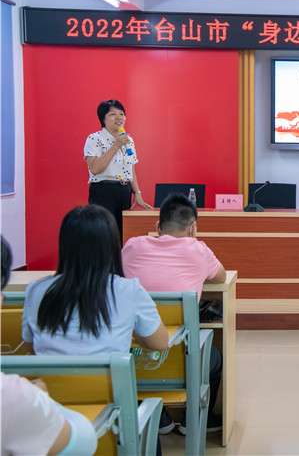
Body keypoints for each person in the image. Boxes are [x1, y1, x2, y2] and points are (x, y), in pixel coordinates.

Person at [121, 193, 225, 435]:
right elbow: (220, 277)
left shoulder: (132, 247)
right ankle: (193, 420)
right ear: (193, 228)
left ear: (158, 226)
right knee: (215, 359)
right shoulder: (199, 250)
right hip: (184, 360)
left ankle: (158, 419)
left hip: (136, 356)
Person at [21, 205, 168, 356]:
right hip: (112, 372)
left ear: (64, 245)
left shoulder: (36, 291)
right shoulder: (128, 290)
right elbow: (160, 343)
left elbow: (32, 346)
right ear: (112, 245)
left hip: (50, 373)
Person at [1, 235, 97, 456]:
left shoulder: (36, 290)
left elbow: (31, 345)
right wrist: (37, 400)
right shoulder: (13, 397)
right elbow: (85, 442)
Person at [84, 98, 152, 240]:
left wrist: (137, 192)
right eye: (113, 114)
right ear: (103, 119)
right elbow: (95, 168)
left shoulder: (128, 140)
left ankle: (119, 256)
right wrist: (116, 145)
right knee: (103, 234)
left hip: (124, 191)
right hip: (104, 191)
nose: (119, 117)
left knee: (122, 234)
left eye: (122, 114)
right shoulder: (94, 138)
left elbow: (131, 168)